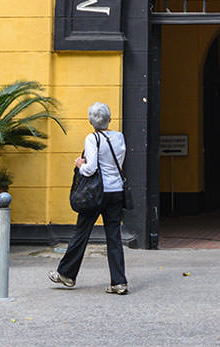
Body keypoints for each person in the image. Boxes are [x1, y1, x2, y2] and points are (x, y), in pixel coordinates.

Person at [49, 101, 129, 295]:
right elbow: (118, 161)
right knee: (114, 237)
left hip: (96, 193)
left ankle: (66, 274)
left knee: (81, 232)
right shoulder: (119, 137)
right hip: (116, 191)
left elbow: (91, 168)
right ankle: (119, 282)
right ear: (109, 119)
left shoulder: (92, 139)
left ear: (91, 121)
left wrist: (79, 164)